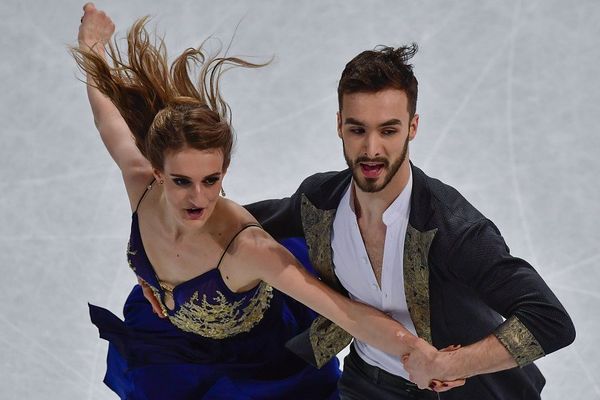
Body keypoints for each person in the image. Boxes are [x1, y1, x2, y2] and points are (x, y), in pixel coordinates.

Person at [73, 4, 464, 399]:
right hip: (171, 344)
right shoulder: (141, 188)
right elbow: (107, 118)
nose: (198, 197)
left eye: (211, 180)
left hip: (255, 364)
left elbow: (345, 313)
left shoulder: (247, 247)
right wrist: (92, 45)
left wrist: (421, 355)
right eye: (181, 181)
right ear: (156, 172)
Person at [246, 44, 576, 399]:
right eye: (358, 130)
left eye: (388, 131)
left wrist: (451, 364)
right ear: (340, 124)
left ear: (412, 127)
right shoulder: (320, 201)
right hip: (367, 384)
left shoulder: (451, 227)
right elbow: (245, 222)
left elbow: (550, 321)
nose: (372, 149)